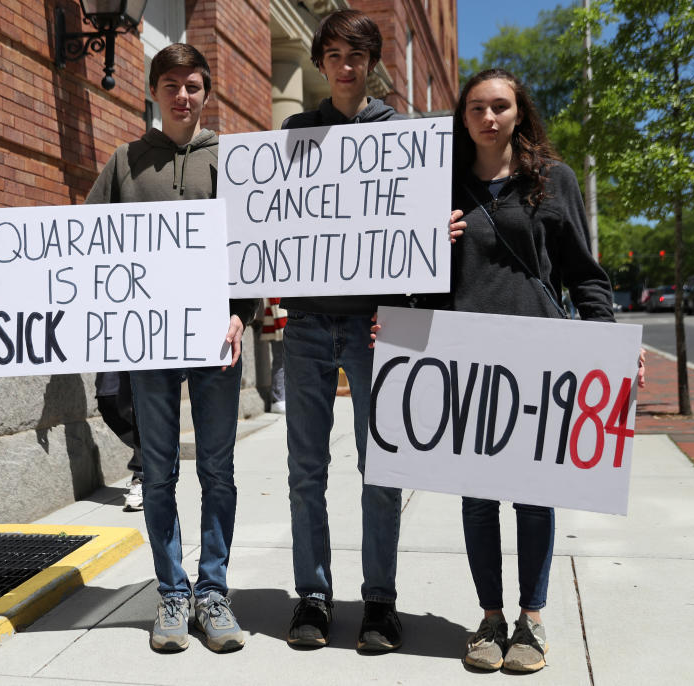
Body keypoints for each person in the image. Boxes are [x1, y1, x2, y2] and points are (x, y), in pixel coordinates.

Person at [373, 67, 643, 672]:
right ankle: (490, 620)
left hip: (536, 358)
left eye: (500, 106)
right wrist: (416, 266)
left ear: (519, 112)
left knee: (532, 499)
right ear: (461, 116)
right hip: (462, 357)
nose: (488, 118)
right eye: (476, 108)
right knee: (476, 500)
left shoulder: (552, 181)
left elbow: (583, 273)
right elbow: (409, 276)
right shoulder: (436, 184)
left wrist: (609, 345)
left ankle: (533, 621)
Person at [280, 9, 465, 652]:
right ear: (320, 62)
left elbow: (424, 220)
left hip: (375, 327)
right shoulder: (296, 133)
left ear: (371, 61)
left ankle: (380, 602)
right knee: (306, 470)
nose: (345, 65)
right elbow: (270, 224)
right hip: (303, 322)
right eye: (333, 54)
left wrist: (429, 235)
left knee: (380, 466)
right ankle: (312, 597)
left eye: (356, 54)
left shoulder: (402, 135)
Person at [83, 43, 259, 654]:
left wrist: (243, 314)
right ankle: (171, 592)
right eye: (171, 86)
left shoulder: (235, 161)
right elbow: (81, 246)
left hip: (216, 337)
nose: (182, 96)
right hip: (148, 343)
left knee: (218, 470)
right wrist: (20, 293)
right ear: (154, 92)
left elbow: (256, 247)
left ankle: (213, 592)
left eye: (192, 86)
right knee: (158, 473)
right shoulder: (124, 162)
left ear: (206, 93)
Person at [94, 371, 145, 511]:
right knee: (109, 400)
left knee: (140, 402)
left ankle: (143, 474)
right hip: (111, 351)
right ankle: (154, 452)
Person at [260, 298, 287, 413]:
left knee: (282, 360)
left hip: (280, 317)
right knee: (280, 360)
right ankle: (278, 398)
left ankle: (280, 398)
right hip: (280, 317)